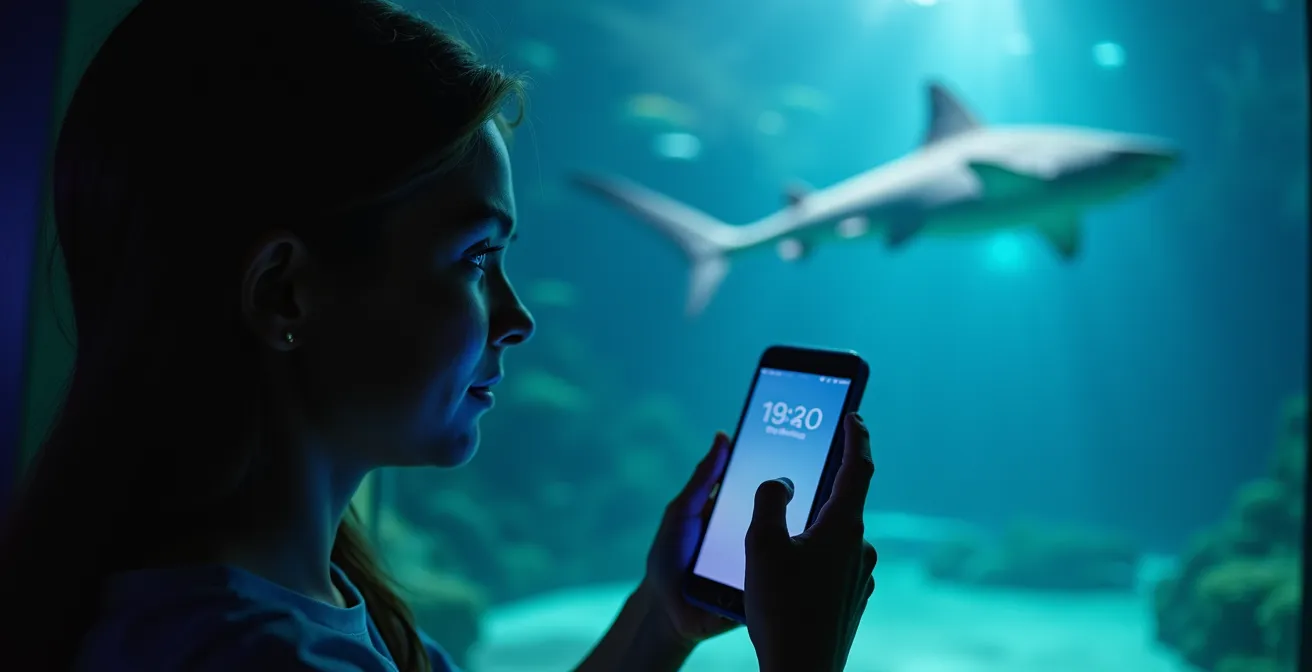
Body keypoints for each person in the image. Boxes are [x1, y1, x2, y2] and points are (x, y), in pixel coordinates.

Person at [0, 0, 879, 670]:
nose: (519, 317)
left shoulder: (295, 596)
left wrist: (659, 616)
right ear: (285, 293)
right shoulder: (248, 652)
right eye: (474, 259)